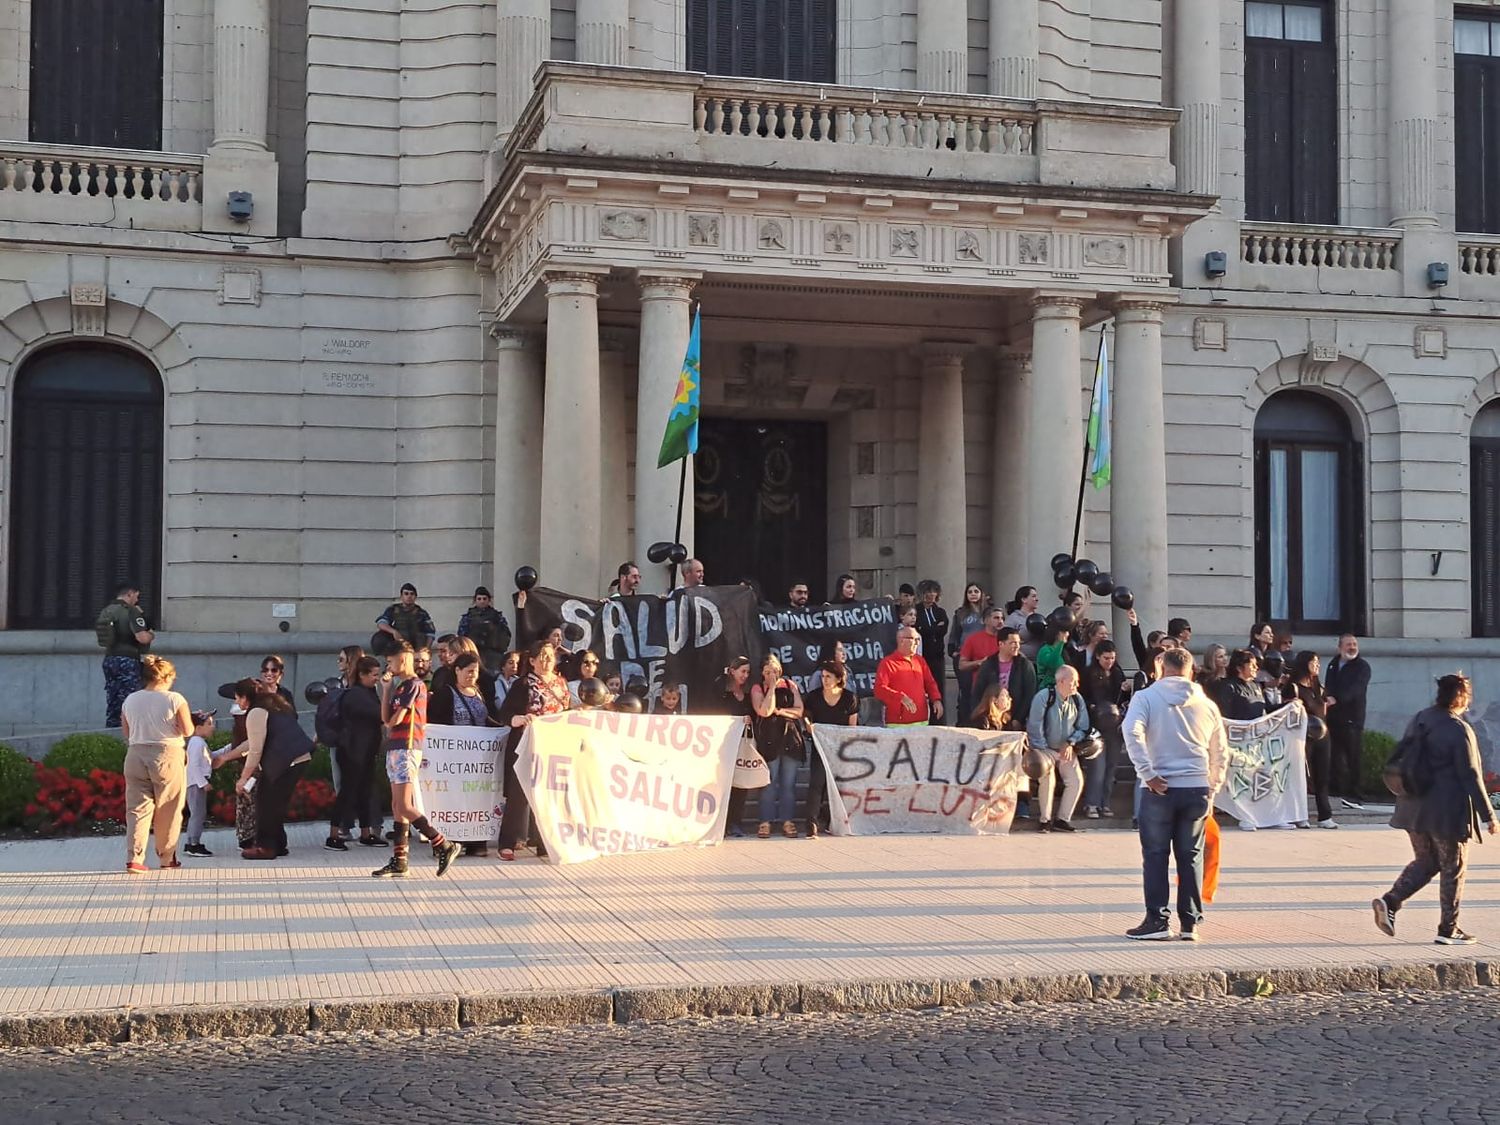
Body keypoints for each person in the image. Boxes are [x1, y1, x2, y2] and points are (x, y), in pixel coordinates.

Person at [1372, 674, 1497, 946]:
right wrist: (1489, 814)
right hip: (1446, 812)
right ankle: (1447, 929)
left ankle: (1390, 901)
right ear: (1462, 698)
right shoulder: (1458, 729)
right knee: (1453, 867)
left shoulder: (1421, 718)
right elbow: (1471, 774)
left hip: (1413, 806)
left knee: (1427, 861)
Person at [1122, 648, 1228, 941]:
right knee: (1190, 854)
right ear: (1191, 670)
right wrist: (1213, 785)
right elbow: (1220, 749)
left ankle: (1157, 920)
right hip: (1195, 786)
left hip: (1160, 786)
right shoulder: (1206, 704)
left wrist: (1148, 773)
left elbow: (1131, 732)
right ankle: (1190, 922)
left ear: (1161, 668)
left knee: (1155, 856)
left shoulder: (1145, 697)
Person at [371, 643, 460, 877]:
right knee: (397, 806)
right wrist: (387, 689)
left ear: (403, 659)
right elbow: (385, 717)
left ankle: (442, 843)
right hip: (396, 747)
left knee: (405, 805)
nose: (387, 666)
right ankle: (400, 859)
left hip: (407, 748)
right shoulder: (401, 686)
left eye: (391, 660)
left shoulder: (414, 685)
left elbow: (393, 721)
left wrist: (389, 719)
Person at [495, 639, 573, 862]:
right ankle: (507, 842)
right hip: (526, 745)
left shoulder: (560, 683)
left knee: (548, 794)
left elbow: (566, 712)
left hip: (553, 746)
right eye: (542, 657)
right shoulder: (523, 684)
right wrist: (519, 719)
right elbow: (506, 714)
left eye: (550, 656)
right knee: (519, 794)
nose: (547, 660)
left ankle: (543, 841)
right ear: (532, 661)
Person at [120, 655, 193, 873]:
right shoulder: (175, 699)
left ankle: (135, 859)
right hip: (167, 754)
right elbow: (188, 730)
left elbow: (127, 732)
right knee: (169, 807)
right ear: (168, 676)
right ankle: (166, 857)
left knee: (137, 810)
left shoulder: (130, 700)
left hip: (135, 754)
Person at [235, 683, 316, 861]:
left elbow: (255, 749)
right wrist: (227, 756)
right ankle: (278, 844)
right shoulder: (274, 705)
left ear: (245, 697)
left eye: (238, 697)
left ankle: (265, 847)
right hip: (298, 757)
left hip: (286, 761)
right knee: (274, 802)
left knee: (266, 803)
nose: (237, 702)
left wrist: (243, 778)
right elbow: (253, 742)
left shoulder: (256, 712)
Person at [325, 656, 387, 852]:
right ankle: (334, 835)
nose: (377, 678)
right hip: (352, 751)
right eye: (374, 675)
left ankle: (366, 832)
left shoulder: (368, 692)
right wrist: (387, 691)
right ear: (362, 675)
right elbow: (381, 715)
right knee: (348, 792)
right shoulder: (357, 695)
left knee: (364, 792)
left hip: (365, 751)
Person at [1026, 664, 1092, 832]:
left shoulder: (1077, 699)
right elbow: (1035, 726)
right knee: (1048, 779)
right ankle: (1045, 819)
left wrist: (1071, 742)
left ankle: (1063, 819)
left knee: (1076, 780)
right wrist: (1044, 749)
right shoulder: (1043, 697)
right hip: (1044, 748)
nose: (1077, 685)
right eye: (1073, 682)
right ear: (1061, 681)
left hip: (1066, 747)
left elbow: (1083, 727)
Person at [751, 654, 806, 839]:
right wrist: (772, 688)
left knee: (788, 784)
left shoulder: (791, 685)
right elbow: (765, 711)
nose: (771, 674)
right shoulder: (758, 688)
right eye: (767, 672)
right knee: (769, 783)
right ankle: (765, 821)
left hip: (790, 738)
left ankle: (787, 821)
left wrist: (782, 712)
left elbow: (799, 710)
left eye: (774, 671)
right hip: (769, 738)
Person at [802, 660, 857, 839]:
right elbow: (806, 716)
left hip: (841, 750)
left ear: (838, 679)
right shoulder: (814, 697)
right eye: (823, 676)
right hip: (820, 746)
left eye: (829, 677)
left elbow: (852, 726)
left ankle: (832, 820)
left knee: (837, 786)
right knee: (816, 783)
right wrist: (809, 726)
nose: (825, 680)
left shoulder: (850, 698)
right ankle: (811, 824)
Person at [1283, 650, 1336, 829]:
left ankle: (1325, 815)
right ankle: (1299, 813)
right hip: (1302, 737)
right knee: (1302, 776)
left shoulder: (1318, 688)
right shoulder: (1294, 688)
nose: (1317, 666)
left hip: (1322, 734)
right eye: (1314, 662)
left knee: (1322, 775)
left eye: (1318, 662)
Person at [96, 583, 155, 729]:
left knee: (114, 697)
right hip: (127, 660)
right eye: (136, 596)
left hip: (110, 659)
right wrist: (151, 634)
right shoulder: (131, 611)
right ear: (129, 594)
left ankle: (112, 730)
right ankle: (129, 731)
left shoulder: (107, 610)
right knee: (131, 698)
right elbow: (142, 638)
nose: (137, 599)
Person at [1080, 640, 1127, 818]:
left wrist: (1124, 690)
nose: (1109, 661)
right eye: (1106, 658)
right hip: (1095, 725)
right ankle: (1091, 803)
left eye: (1112, 658)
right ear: (1098, 656)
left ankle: (1105, 803)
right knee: (1097, 767)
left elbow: (1122, 698)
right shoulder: (1088, 673)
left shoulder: (1117, 672)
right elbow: (1083, 696)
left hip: (1114, 725)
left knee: (1111, 766)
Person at [1326, 634, 1372, 810]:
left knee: (1353, 757)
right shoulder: (1333, 664)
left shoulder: (1362, 667)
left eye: (1354, 644)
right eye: (1348, 644)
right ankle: (1337, 791)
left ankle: (1356, 794)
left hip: (1352, 718)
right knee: (1335, 756)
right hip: (1333, 717)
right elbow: (1329, 684)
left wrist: (1336, 698)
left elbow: (1355, 690)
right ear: (1340, 647)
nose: (1352, 647)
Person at [971, 627, 1038, 732]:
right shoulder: (988, 664)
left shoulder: (1024, 665)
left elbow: (1030, 694)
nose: (1017, 646)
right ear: (1001, 644)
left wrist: (1018, 719)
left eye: (1018, 643)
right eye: (1012, 643)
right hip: (991, 719)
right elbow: (978, 692)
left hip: (1015, 719)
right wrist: (981, 716)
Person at [874, 626, 943, 727]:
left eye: (918, 639)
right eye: (913, 639)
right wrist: (901, 697)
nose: (917, 643)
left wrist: (936, 700)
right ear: (902, 640)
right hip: (897, 723)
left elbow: (930, 682)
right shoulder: (888, 663)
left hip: (922, 721)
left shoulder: (920, 661)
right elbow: (879, 690)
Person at [957, 606, 1004, 726]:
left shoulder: (1006, 639)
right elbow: (962, 665)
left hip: (1003, 690)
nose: (1000, 621)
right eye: (996, 618)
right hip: (980, 689)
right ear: (986, 620)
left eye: (1002, 618)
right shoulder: (973, 639)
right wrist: (979, 662)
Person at [182, 709, 217, 858]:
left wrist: (228, 750)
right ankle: (193, 844)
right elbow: (193, 765)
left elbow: (210, 757)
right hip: (196, 783)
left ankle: (193, 842)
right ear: (197, 728)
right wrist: (203, 783)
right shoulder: (196, 743)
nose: (213, 727)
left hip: (197, 783)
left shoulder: (198, 742)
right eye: (209, 724)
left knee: (198, 813)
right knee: (197, 813)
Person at [458, 586, 512, 669]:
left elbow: (506, 634)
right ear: (475, 601)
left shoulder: (497, 616)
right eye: (479, 599)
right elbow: (462, 637)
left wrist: (500, 647)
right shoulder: (468, 618)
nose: (482, 601)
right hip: (474, 653)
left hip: (494, 655)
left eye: (484, 599)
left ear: (489, 600)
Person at [375, 583, 436, 653]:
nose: (409, 596)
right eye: (406, 594)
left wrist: (427, 650)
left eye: (412, 594)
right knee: (379, 638)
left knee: (421, 636)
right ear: (401, 596)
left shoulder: (422, 613)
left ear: (415, 597)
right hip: (398, 642)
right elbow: (381, 623)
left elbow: (430, 632)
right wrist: (394, 632)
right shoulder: (393, 609)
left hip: (416, 645)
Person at [914, 580, 949, 701]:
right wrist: (934, 628)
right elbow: (919, 630)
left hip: (938, 657)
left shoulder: (940, 612)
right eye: (927, 592)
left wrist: (928, 629)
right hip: (922, 656)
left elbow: (943, 630)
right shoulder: (916, 611)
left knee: (938, 689)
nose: (930, 594)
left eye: (933, 591)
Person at [1219, 649, 1268, 722]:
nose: (1256, 668)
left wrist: (1288, 704)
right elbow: (1225, 715)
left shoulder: (1256, 686)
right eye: (1252, 665)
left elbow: (1267, 708)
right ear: (1239, 668)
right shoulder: (1229, 687)